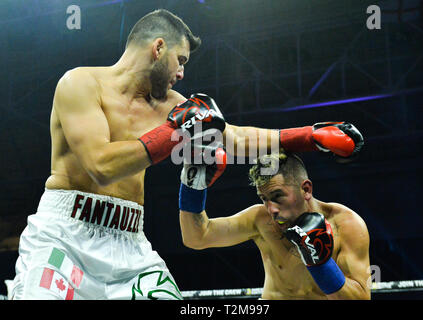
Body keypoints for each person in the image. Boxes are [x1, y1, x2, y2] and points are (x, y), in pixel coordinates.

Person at [10, 8, 363, 300]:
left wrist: (309, 137)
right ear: (158, 48)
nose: (181, 73)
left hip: (129, 242)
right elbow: (102, 166)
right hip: (67, 234)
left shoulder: (172, 106)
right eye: (180, 60)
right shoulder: (81, 84)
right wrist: (173, 132)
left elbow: (235, 139)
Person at [178, 150, 371, 299]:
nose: (272, 209)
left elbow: (360, 298)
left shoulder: (346, 224)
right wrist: (192, 186)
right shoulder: (260, 219)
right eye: (264, 199)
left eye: (277, 196)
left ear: (306, 189)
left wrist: (321, 263)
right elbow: (196, 237)